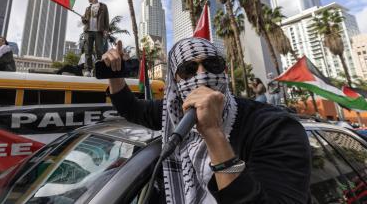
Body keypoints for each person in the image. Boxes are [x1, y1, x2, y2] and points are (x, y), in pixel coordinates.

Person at [102, 38, 311, 203]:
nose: (202, 75)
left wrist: (214, 134)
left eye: (212, 64)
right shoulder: (174, 115)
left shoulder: (273, 127)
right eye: (188, 70)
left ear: (225, 71)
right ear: (176, 82)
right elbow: (132, 109)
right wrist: (115, 76)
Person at [81, 0, 109, 77]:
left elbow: (106, 19)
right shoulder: (88, 8)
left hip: (98, 32)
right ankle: (87, 70)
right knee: (88, 51)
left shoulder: (103, 6)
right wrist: (83, 19)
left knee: (99, 51)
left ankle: (97, 70)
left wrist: (106, 30)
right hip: (88, 31)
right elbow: (85, 20)